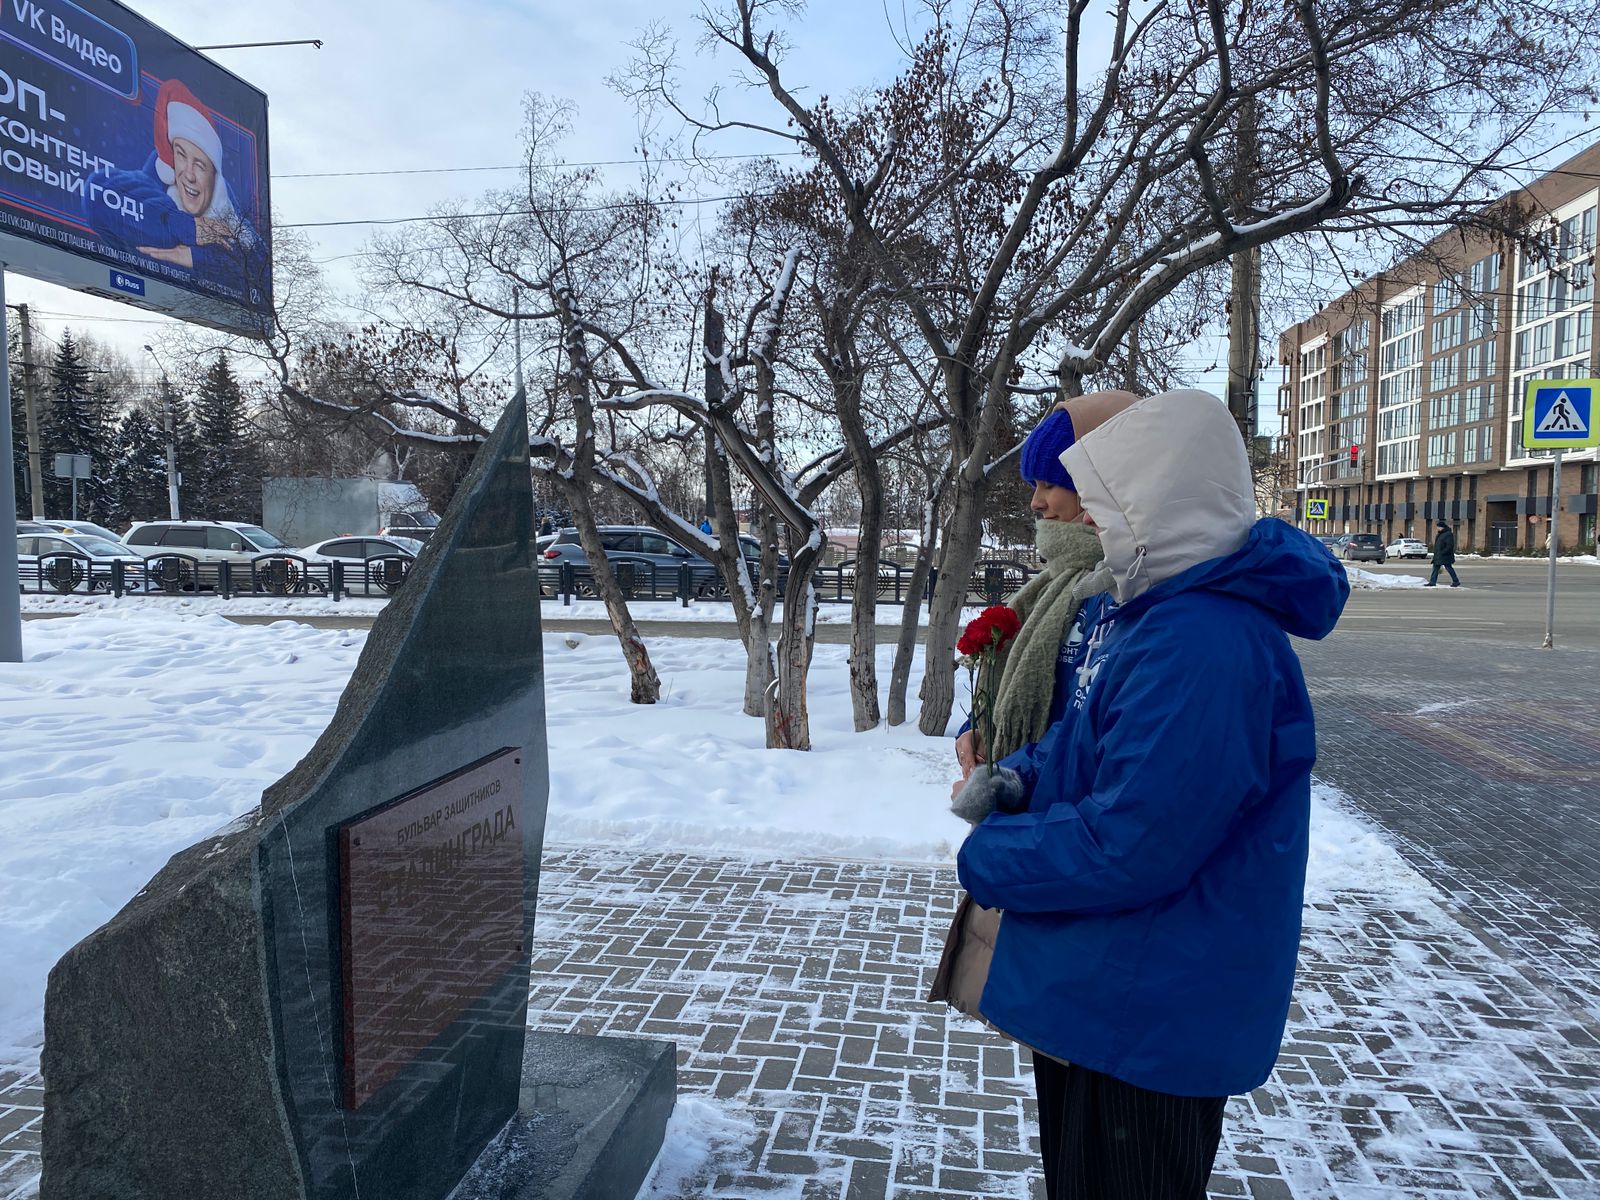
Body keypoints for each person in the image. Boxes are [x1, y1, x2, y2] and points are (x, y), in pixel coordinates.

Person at [952, 388, 1349, 1199]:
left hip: (1151, 1011)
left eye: (1101, 500)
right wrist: (1019, 774)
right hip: (1119, 991)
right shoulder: (1160, 614)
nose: (1085, 520)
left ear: (1158, 498)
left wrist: (988, 854)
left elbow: (1133, 842)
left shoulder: (1203, 639)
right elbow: (1093, 736)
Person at [930, 407, 1115, 1020]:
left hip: (1064, 839)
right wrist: (975, 732)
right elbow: (1019, 690)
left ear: (1098, 484)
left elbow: (1080, 721)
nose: (1036, 503)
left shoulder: (1113, 590)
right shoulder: (1055, 585)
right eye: (1032, 486)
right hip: (1044, 831)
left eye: (1048, 484)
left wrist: (1011, 774)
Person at [82, 79, 265, 296]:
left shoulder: (232, 215)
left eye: (200, 165)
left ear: (214, 174)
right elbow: (98, 194)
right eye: (181, 154)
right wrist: (186, 227)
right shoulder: (150, 183)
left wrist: (196, 258)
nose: (188, 174)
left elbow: (261, 274)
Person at [1425, 519, 1460, 587]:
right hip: (1439, 555)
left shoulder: (1448, 534)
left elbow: (1449, 545)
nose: (1437, 528)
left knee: (1448, 568)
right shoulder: (1440, 534)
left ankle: (1456, 581)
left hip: (1445, 556)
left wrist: (1443, 552)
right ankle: (1432, 582)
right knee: (1435, 568)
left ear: (1442, 527)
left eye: (1438, 527)